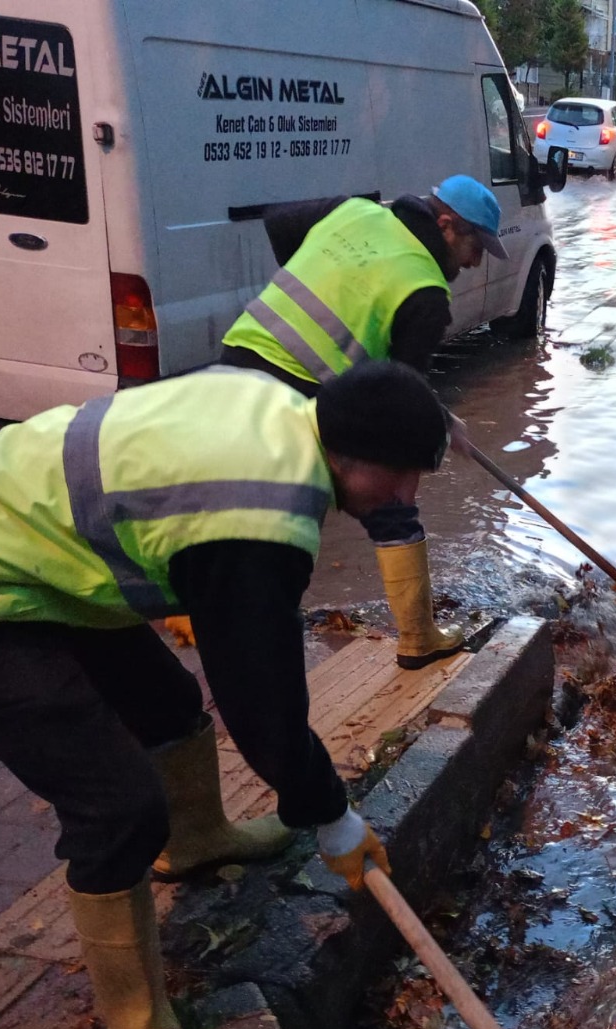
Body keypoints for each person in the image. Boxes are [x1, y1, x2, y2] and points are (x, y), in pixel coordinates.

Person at [0, 360, 442, 1029]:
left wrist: (195, 586)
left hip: (22, 548)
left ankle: (198, 838)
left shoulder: (279, 412)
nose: (406, 496)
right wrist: (330, 814)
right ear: (351, 452)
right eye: (401, 474)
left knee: (167, 702)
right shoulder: (261, 515)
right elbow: (264, 707)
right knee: (116, 807)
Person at [216, 174, 509, 669]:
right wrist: (440, 428)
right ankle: (417, 637)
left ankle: (217, 618)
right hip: (304, 395)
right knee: (383, 502)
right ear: (445, 224)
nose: (476, 261)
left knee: (238, 504)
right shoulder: (425, 291)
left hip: (237, 361)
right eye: (475, 246)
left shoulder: (353, 211)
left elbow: (277, 220)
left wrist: (331, 279)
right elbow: (401, 399)